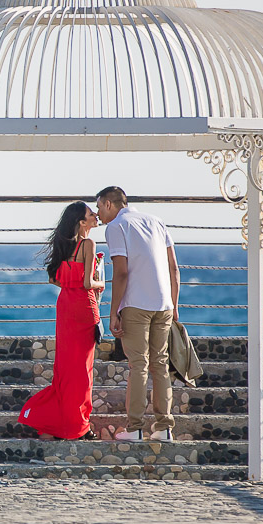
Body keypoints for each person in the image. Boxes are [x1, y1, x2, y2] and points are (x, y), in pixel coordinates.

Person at [96, 186, 180, 441]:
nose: (98, 214)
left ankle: (134, 429)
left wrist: (113, 312)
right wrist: (174, 305)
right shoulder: (156, 221)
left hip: (136, 305)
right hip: (163, 304)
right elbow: (174, 268)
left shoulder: (116, 227)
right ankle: (164, 428)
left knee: (138, 366)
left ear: (110, 204)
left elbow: (121, 272)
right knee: (160, 365)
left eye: (99, 207)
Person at [18, 202, 105, 440]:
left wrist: (72, 281)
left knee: (66, 369)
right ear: (82, 222)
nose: (95, 215)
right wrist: (102, 283)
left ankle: (62, 421)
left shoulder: (64, 246)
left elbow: (55, 279)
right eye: (91, 214)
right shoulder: (88, 244)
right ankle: (79, 426)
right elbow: (88, 284)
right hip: (84, 308)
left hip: (65, 307)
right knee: (83, 371)